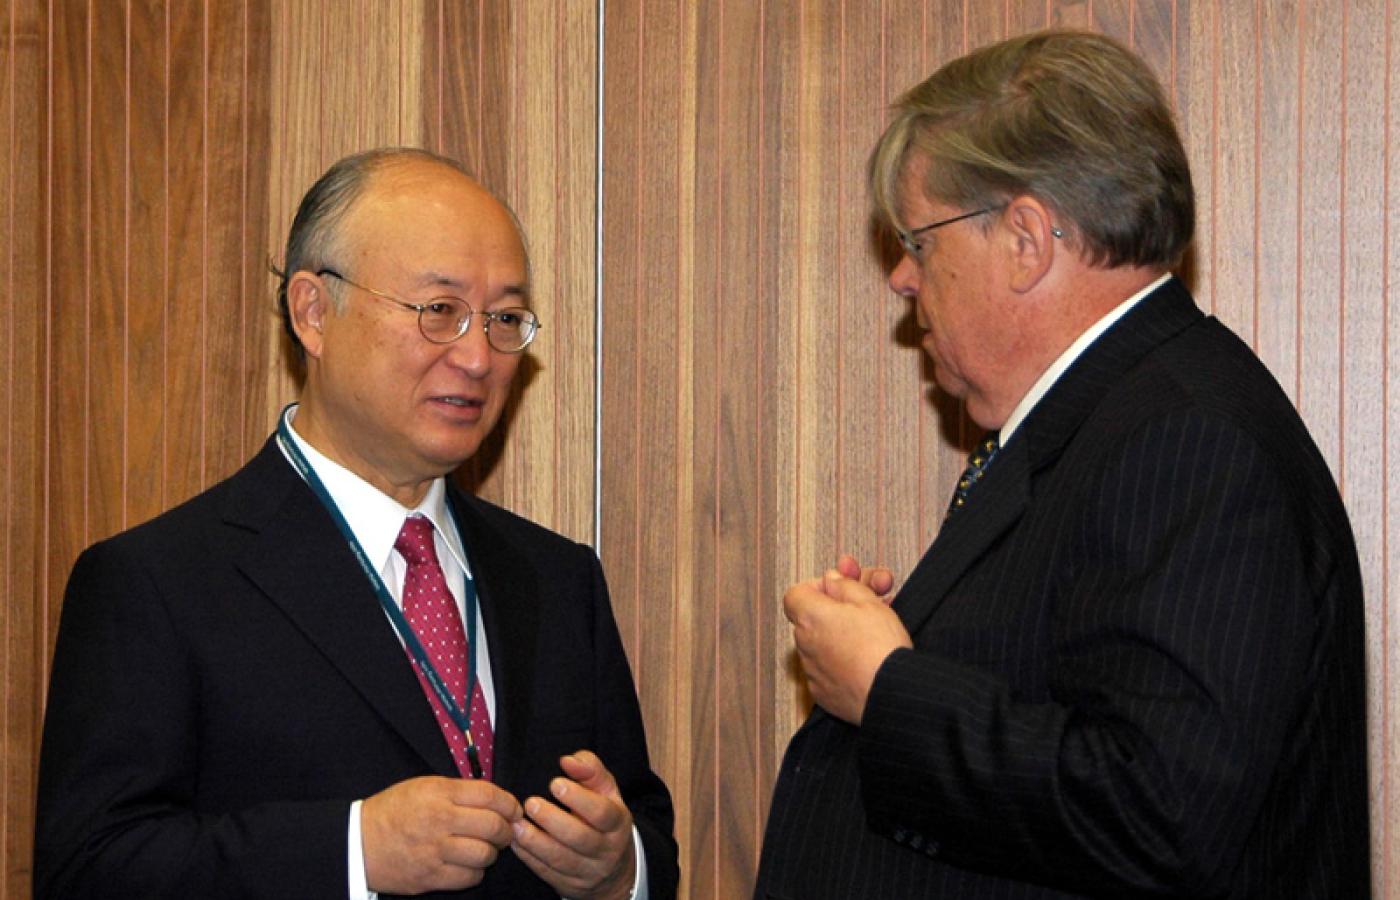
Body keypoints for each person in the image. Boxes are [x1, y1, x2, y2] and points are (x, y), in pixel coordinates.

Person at [757, 30, 1370, 899]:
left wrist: (890, 689)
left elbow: (1159, 813)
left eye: (919, 242)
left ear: (1025, 239)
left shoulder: (1189, 440)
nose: (900, 277)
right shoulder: (1112, 419)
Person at [35, 148, 677, 900]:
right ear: (313, 312)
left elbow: (644, 830)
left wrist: (619, 869)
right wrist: (351, 850)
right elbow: (89, 870)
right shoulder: (157, 582)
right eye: (440, 311)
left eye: (503, 319)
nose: (478, 357)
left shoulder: (557, 578)